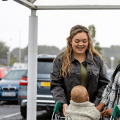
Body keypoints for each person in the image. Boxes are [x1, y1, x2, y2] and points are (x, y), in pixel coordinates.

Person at [50, 25, 110, 116]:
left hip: (92, 112)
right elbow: (56, 85)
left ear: (88, 42)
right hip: (68, 112)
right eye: (77, 41)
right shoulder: (60, 60)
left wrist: (96, 106)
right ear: (70, 41)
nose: (81, 44)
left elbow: (105, 85)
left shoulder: (97, 60)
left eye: (84, 41)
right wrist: (63, 103)